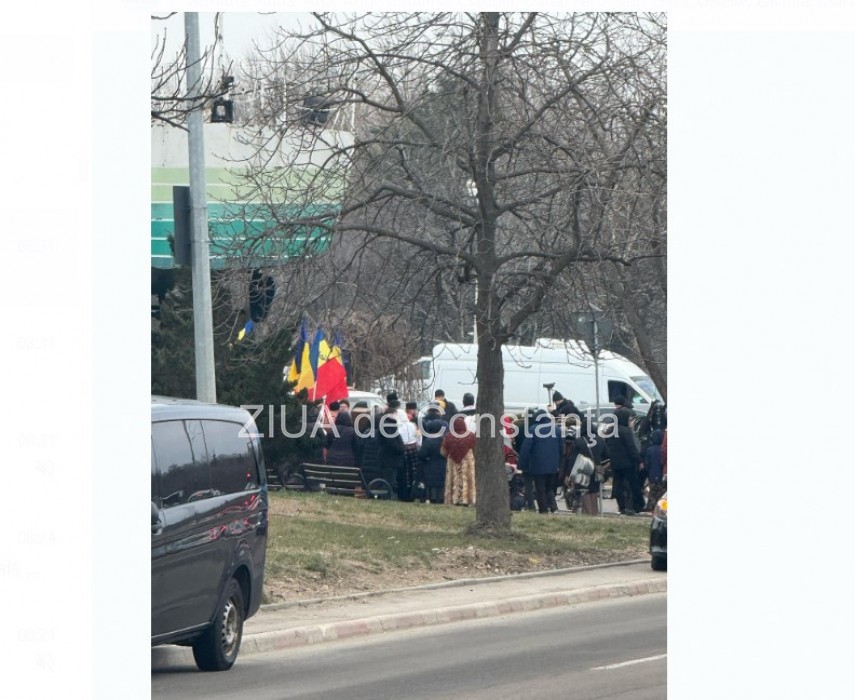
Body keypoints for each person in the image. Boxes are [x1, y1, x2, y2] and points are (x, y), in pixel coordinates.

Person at [517, 409, 562, 514]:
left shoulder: (533, 429)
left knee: (540, 488)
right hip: (553, 466)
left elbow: (525, 449)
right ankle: (554, 508)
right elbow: (561, 448)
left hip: (538, 465)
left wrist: (521, 464)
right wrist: (558, 463)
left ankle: (544, 510)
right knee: (549, 488)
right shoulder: (557, 429)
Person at [601, 411, 645, 515]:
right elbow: (631, 448)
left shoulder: (610, 431)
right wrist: (639, 460)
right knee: (633, 485)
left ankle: (622, 506)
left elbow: (607, 448)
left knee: (618, 485)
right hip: (628, 464)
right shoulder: (626, 431)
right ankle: (636, 505)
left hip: (615, 464)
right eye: (630, 419)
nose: (631, 422)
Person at [441, 415, 476, 506]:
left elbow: (443, 451)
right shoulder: (471, 435)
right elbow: (476, 449)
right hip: (467, 461)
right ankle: (467, 499)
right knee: (468, 479)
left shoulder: (449, 436)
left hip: (452, 462)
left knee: (453, 479)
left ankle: (454, 499)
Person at [418, 403, 448, 503]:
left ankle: (431, 497)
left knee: (431, 484)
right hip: (442, 465)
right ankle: (441, 497)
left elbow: (422, 454)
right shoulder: (444, 441)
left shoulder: (428, 441)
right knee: (440, 483)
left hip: (429, 466)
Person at [643, 429, 666, 511]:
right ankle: (661, 508)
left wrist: (647, 471)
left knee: (653, 492)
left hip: (652, 474)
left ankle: (651, 507)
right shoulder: (663, 449)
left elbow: (647, 463)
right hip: (662, 473)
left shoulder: (650, 449)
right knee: (662, 493)